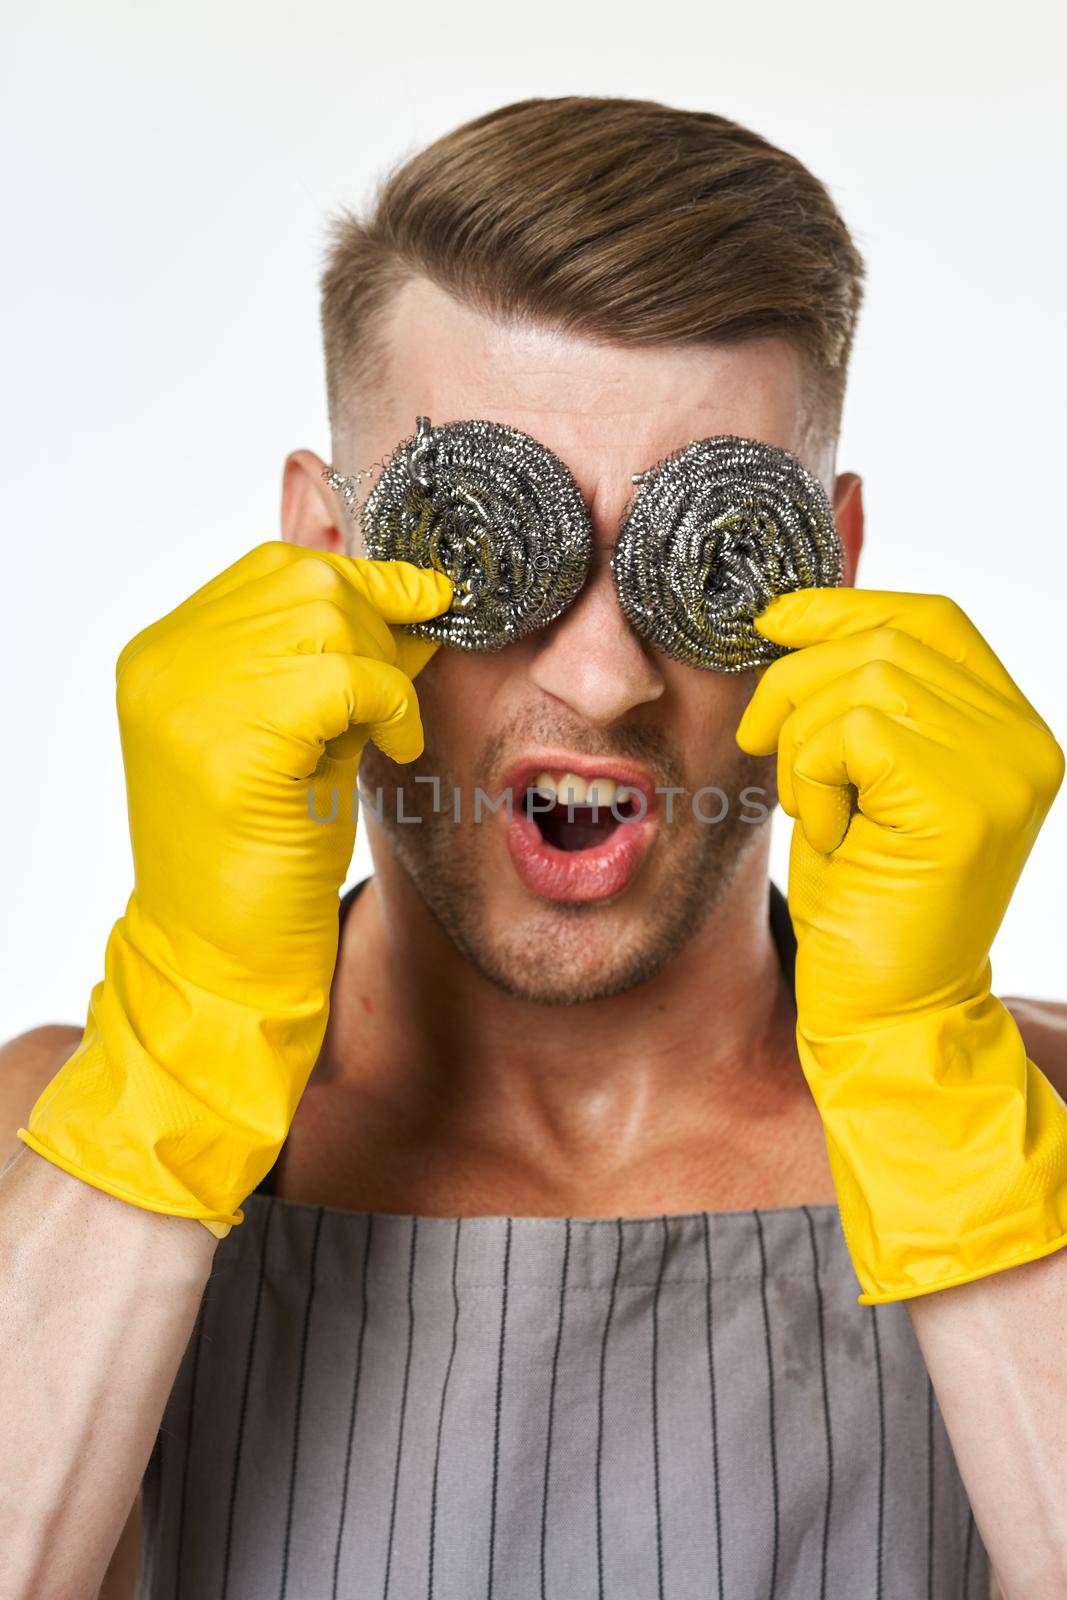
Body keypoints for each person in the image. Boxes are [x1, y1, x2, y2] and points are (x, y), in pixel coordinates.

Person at [2, 96, 1065, 1600]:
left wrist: (933, 1100)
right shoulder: (47, 1150)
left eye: (707, 551)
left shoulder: (1046, 1132)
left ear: (833, 569)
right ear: (322, 553)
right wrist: (176, 1051)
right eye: (481, 548)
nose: (604, 676)